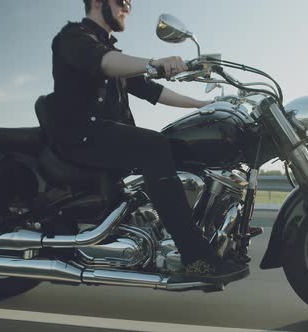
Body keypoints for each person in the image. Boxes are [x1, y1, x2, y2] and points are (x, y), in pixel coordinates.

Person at [46, 0, 249, 284]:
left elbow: (152, 90)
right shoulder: (74, 38)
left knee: (179, 145)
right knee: (154, 146)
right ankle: (196, 258)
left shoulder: (112, 52)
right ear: (95, 3)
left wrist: (204, 105)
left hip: (104, 134)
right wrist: (153, 63)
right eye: (121, 2)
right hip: (82, 136)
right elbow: (104, 62)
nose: (127, 7)